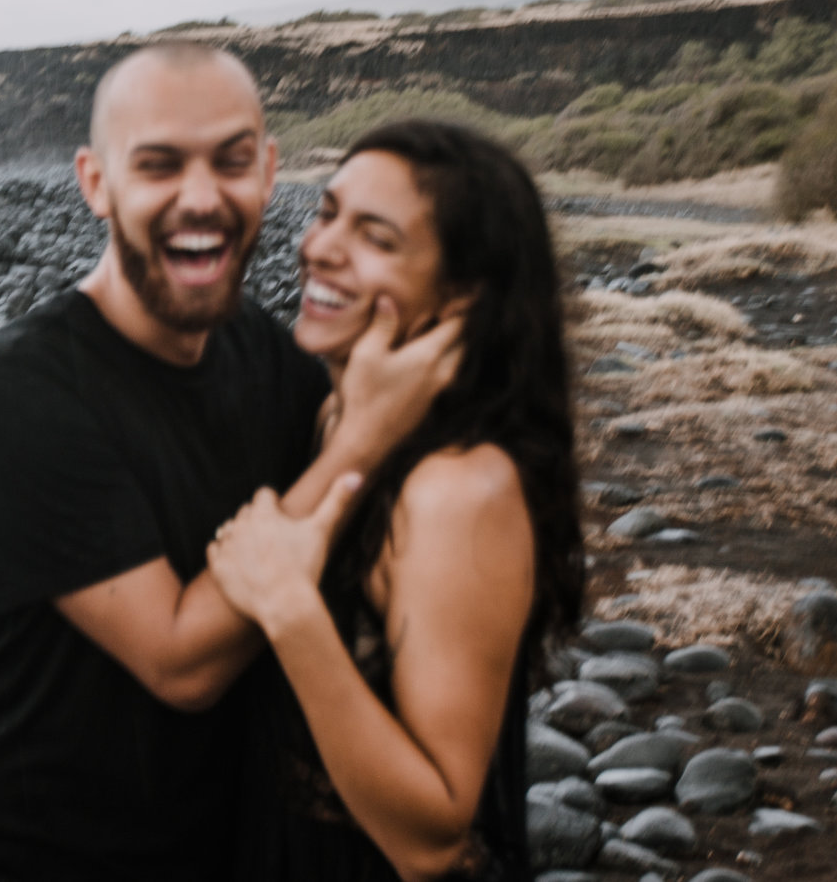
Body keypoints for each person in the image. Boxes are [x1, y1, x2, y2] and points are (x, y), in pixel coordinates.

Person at [0, 44, 463, 881]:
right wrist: (363, 437)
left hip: (216, 843)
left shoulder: (267, 358)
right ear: (96, 182)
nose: (203, 197)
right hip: (35, 853)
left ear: (269, 171)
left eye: (232, 161)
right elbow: (181, 661)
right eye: (160, 165)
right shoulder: (18, 394)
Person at [208, 120, 584, 882]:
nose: (320, 247)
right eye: (327, 211)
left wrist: (286, 607)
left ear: (461, 293)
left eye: (375, 236)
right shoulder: (340, 418)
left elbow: (434, 838)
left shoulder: (456, 488)